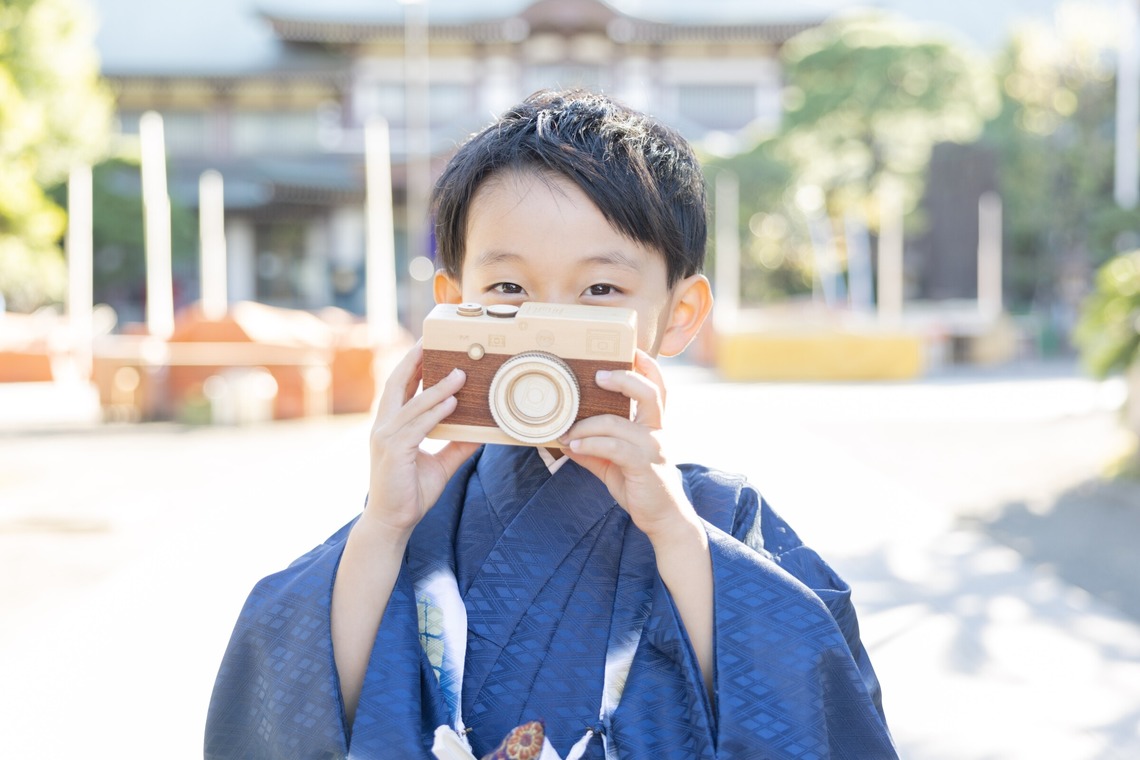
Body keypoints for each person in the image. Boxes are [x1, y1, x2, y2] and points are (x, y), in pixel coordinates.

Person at [205, 89, 896, 760]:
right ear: (453, 305)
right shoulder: (412, 515)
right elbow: (296, 715)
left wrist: (677, 537)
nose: (549, 327)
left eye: (600, 289)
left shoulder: (717, 516)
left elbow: (814, 712)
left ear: (678, 315)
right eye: (509, 288)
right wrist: (382, 529)